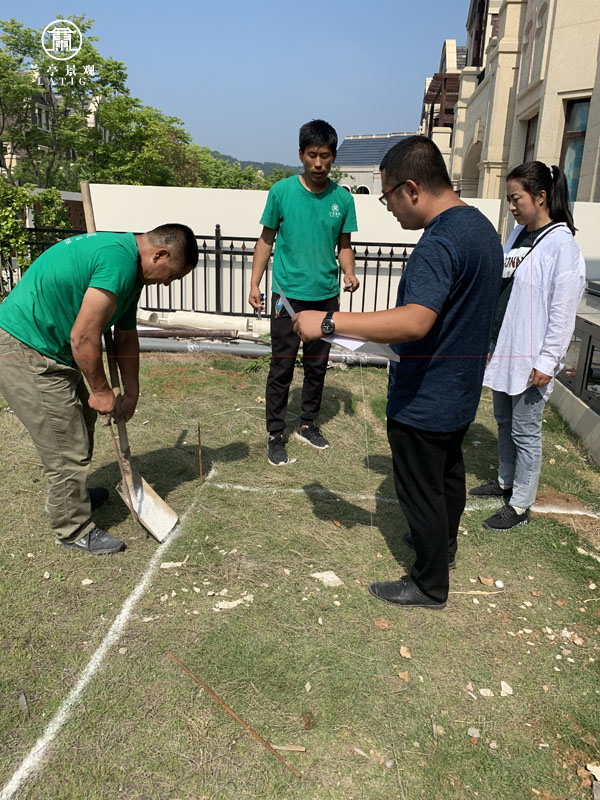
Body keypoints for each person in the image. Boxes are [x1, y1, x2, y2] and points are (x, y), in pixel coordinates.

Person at [293, 136, 503, 609]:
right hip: (461, 388)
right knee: (447, 475)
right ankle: (443, 547)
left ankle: (428, 584)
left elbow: (415, 321)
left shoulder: (438, 242)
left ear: (411, 188)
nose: (387, 206)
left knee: (420, 490)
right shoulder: (480, 228)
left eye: (387, 195)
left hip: (426, 393)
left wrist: (327, 322)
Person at [0, 224, 198, 555]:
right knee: (65, 442)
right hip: (25, 347)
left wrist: (131, 392)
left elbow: (125, 337)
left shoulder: (132, 272)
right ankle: (73, 529)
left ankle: (73, 495)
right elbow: (83, 336)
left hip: (54, 348)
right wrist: (102, 390)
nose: (167, 283)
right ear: (160, 255)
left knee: (82, 420)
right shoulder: (117, 262)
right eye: (172, 275)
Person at [470, 162, 586, 530]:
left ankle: (520, 504)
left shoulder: (561, 245)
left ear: (540, 197)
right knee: (504, 420)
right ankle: (505, 480)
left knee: (525, 429)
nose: (511, 207)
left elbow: (563, 311)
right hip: (504, 346)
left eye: (515, 198)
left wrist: (548, 360)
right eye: (508, 199)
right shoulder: (519, 235)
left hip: (531, 355)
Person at [248, 119, 359, 466]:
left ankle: (308, 424)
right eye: (312, 155)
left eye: (325, 156)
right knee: (281, 366)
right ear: (300, 154)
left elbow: (344, 246)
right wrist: (254, 283)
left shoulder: (342, 198)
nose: (319, 163)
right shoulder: (281, 192)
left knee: (317, 366)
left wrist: (349, 272)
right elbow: (266, 240)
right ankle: (275, 434)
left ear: (333, 156)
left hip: (325, 296)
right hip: (287, 296)